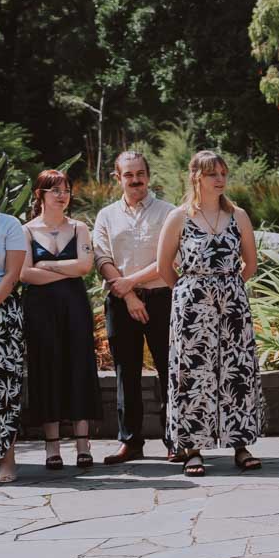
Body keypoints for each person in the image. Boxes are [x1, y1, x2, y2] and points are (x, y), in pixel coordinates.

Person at [157, 151, 263, 477]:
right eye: (211, 174)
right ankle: (192, 448)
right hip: (191, 306)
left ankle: (240, 444)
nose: (219, 179)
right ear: (196, 178)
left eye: (222, 173)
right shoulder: (178, 217)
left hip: (232, 304)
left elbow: (251, 263)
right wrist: (192, 291)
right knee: (194, 374)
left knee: (236, 372)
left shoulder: (238, 216)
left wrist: (228, 287)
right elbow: (164, 268)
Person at [93, 151, 177, 464]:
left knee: (169, 370)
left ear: (148, 175)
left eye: (140, 173)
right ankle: (130, 441)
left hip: (161, 299)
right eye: (129, 175)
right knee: (125, 372)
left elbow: (171, 258)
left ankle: (175, 440)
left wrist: (132, 283)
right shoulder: (106, 216)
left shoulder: (169, 213)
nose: (136, 180)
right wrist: (128, 294)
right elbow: (102, 258)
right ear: (118, 178)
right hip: (120, 303)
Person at [20, 170, 101, 470]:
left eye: (65, 189)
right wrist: (59, 269)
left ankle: (82, 443)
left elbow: (84, 266)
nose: (62, 195)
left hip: (75, 306)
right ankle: (51, 446)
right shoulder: (26, 231)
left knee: (79, 365)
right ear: (40, 193)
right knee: (46, 366)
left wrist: (47, 266)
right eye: (54, 190)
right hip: (40, 309)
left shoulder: (79, 227)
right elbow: (24, 273)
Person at [0, 184, 27, 483]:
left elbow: (13, 274)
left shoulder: (9, 224)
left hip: (2, 310)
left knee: (4, 385)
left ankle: (7, 459)